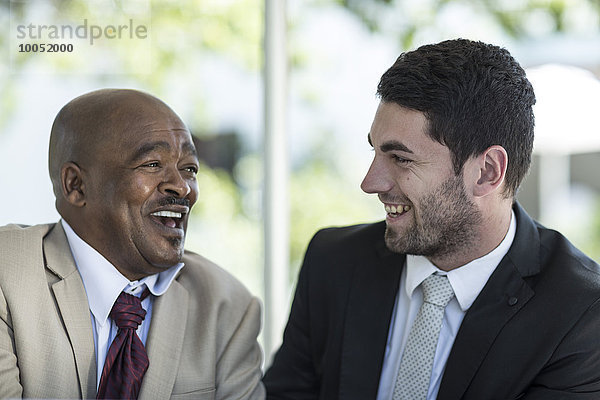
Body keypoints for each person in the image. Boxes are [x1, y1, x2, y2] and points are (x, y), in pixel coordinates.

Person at [263, 39, 600, 399]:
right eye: (375, 151)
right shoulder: (333, 263)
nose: (369, 182)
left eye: (401, 159)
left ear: (487, 172)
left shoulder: (581, 314)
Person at [0, 89, 265, 399]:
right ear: (76, 185)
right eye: (152, 164)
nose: (182, 187)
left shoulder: (227, 308)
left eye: (190, 169)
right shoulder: (8, 274)